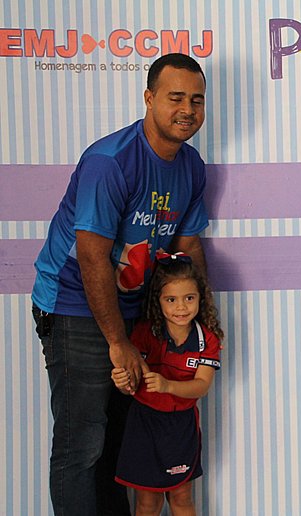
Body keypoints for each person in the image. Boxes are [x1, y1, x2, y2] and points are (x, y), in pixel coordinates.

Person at [30, 52, 211, 516]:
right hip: (72, 305)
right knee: (81, 445)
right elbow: (91, 255)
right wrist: (117, 342)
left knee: (118, 442)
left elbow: (188, 246)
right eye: (175, 98)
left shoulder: (191, 166)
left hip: (133, 309)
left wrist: (203, 322)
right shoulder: (110, 161)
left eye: (196, 100)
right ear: (149, 98)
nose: (187, 110)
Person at [112, 252, 223, 516]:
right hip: (144, 424)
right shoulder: (144, 333)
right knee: (148, 502)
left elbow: (202, 385)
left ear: (200, 298)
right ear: (158, 300)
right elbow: (129, 384)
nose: (181, 307)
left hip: (181, 425)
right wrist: (121, 381)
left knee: (181, 497)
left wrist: (168, 386)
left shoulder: (207, 340)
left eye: (189, 298)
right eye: (171, 299)